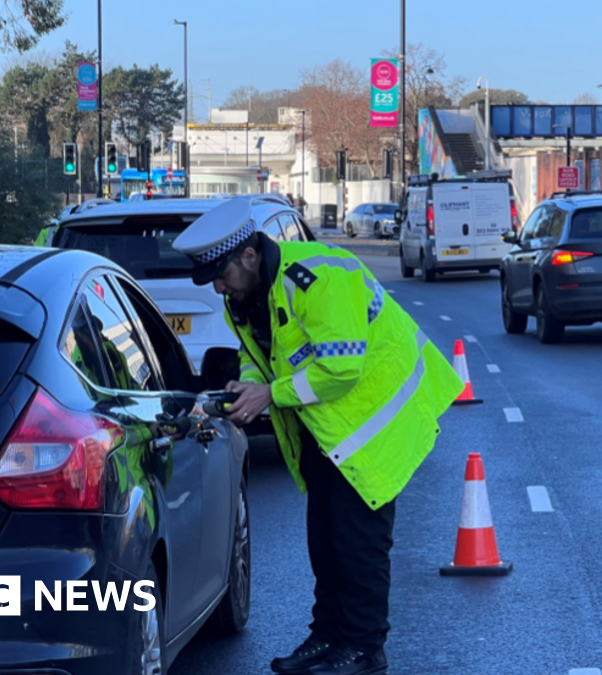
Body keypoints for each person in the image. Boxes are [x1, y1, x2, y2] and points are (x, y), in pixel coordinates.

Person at [172, 198, 465, 675]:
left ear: (249, 255)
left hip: (375, 424)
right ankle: (328, 637)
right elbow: (258, 357)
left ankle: (364, 650)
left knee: (358, 547)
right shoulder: (242, 298)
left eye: (222, 274)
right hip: (326, 429)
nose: (219, 287)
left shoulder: (319, 277)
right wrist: (250, 383)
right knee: (325, 543)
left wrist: (270, 394)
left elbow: (342, 369)